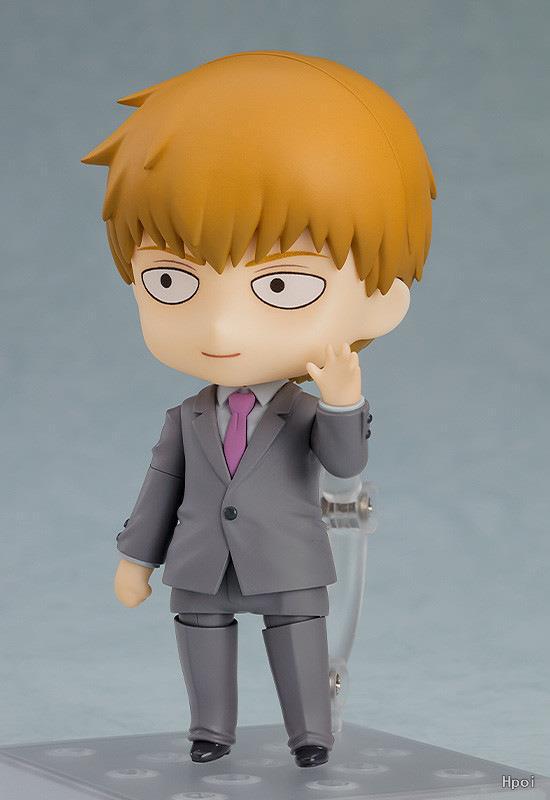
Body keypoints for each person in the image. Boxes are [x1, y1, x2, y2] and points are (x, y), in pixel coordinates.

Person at [82, 50, 435, 768]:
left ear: (382, 299)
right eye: (172, 281)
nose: (221, 328)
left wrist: (343, 401)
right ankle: (210, 731)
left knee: (297, 639)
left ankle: (311, 735)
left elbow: (344, 466)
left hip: (287, 559)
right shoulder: (185, 417)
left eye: (281, 287)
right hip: (200, 561)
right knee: (201, 639)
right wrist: (135, 558)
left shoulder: (305, 411)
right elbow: (161, 489)